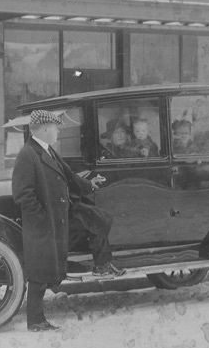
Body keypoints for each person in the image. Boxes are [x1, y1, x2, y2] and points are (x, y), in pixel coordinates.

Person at [12, 110, 125, 332]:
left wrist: (89, 185)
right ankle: (35, 321)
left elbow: (69, 176)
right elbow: (22, 194)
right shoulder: (27, 154)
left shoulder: (46, 150)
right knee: (39, 273)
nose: (58, 132)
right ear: (44, 129)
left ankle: (102, 263)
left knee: (98, 220)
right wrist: (42, 220)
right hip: (43, 224)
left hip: (57, 217)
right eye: (55, 128)